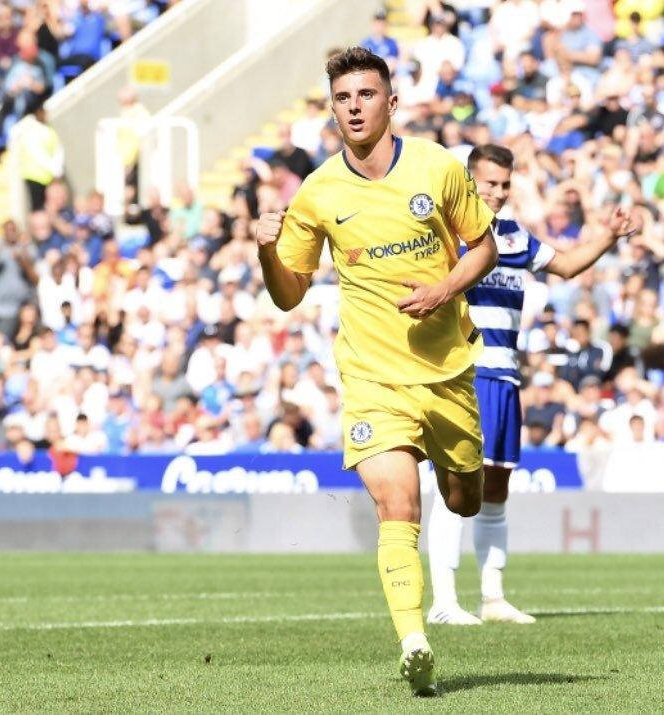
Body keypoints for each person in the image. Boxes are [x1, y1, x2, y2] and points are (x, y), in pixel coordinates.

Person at [253, 47, 499, 697]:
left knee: (462, 498)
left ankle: (460, 494)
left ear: (391, 102)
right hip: (371, 377)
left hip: (446, 369)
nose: (354, 106)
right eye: (343, 98)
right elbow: (289, 292)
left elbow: (485, 245)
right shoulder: (319, 193)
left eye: (366, 94)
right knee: (398, 503)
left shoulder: (436, 168)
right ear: (332, 109)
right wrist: (263, 250)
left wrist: (445, 287)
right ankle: (413, 640)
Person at [426, 143, 640, 627]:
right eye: (490, 183)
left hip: (505, 377)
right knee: (454, 490)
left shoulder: (513, 236)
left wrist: (607, 235)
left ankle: (493, 597)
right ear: (468, 180)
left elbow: (564, 265)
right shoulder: (446, 233)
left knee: (496, 488)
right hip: (464, 374)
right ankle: (442, 601)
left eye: (505, 184)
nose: (499, 193)